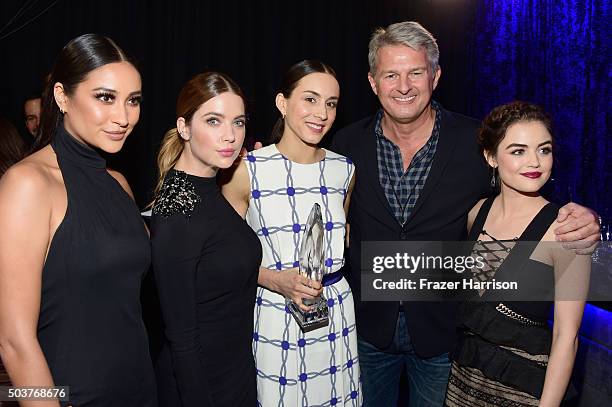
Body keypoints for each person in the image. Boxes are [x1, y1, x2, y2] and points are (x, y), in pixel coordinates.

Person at [330, 21, 600, 406]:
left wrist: (588, 217)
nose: (403, 86)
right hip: (368, 329)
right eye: (391, 74)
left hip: (447, 339)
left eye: (416, 73)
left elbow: (525, 194)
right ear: (373, 82)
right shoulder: (347, 143)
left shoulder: (474, 145)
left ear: (435, 76)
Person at [0, 34, 156, 406]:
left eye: (132, 101)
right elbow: (13, 341)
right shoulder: (27, 184)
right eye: (105, 97)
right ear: (62, 97)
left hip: (140, 391)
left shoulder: (118, 183)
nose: (123, 117)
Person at [221, 60, 361, 406]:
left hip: (335, 311)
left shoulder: (344, 170)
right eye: (310, 99)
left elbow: (339, 242)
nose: (322, 113)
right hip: (274, 311)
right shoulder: (246, 171)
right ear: (283, 103)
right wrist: (273, 279)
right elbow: (220, 262)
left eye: (331, 103)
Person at [444, 101, 590, 406]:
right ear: (491, 157)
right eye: (518, 150)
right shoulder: (477, 212)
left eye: (544, 149)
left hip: (522, 390)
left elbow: (567, 338)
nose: (535, 162)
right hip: (463, 381)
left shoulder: (565, 232)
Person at [151, 72, 261, 407]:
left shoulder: (209, 191)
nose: (230, 135)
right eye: (214, 121)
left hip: (234, 371)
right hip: (202, 386)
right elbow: (181, 339)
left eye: (238, 122)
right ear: (184, 128)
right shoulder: (177, 210)